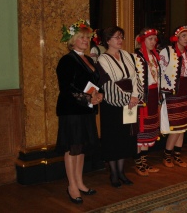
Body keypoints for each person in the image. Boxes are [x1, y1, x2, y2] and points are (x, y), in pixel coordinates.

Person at [56, 19, 102, 204]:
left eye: (87, 37)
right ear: (73, 40)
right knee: (73, 147)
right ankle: (72, 185)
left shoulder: (89, 59)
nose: (85, 40)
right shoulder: (66, 60)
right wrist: (87, 98)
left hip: (86, 110)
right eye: (81, 37)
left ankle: (80, 182)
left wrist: (99, 95)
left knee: (81, 146)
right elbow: (67, 88)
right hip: (72, 110)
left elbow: (96, 83)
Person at [96, 26, 139, 188]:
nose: (120, 40)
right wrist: (127, 99)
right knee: (113, 138)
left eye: (121, 37)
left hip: (130, 102)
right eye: (116, 37)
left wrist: (135, 96)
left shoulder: (127, 56)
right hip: (113, 105)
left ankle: (122, 171)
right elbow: (108, 85)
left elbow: (135, 77)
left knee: (124, 138)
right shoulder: (102, 60)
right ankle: (113, 174)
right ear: (107, 40)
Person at [159, 25, 187, 168]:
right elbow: (161, 71)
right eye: (183, 36)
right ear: (176, 38)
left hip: (186, 90)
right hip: (173, 92)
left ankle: (178, 156)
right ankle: (167, 156)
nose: (186, 39)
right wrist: (164, 92)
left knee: (184, 126)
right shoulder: (167, 51)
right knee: (176, 126)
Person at [132, 28, 161, 176]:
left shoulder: (154, 56)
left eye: (155, 39)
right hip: (143, 98)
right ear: (141, 40)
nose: (153, 42)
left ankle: (144, 161)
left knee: (150, 130)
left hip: (154, 96)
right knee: (141, 130)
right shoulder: (136, 56)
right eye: (150, 39)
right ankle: (138, 163)